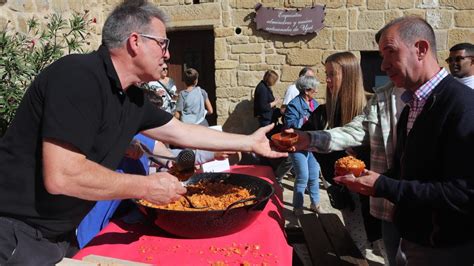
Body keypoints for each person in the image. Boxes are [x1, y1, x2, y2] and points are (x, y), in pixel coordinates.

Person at [0, 1, 284, 264]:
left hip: (56, 236)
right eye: (163, 44)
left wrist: (249, 141)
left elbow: (181, 132)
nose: (168, 54)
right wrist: (147, 186)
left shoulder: (131, 98)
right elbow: (63, 176)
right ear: (135, 42)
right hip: (15, 233)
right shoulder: (78, 76)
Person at [299, 16, 474, 265]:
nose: (382, 66)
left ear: (421, 49)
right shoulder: (413, 103)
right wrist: (370, 180)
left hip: (444, 247)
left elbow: (462, 194)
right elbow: (408, 169)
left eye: (390, 52)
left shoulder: (463, 106)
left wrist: (382, 185)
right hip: (411, 237)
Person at [299, 81, 405, 265]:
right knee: (357, 236)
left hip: (380, 190)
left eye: (333, 74)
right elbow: (350, 133)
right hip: (349, 188)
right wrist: (310, 139)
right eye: (327, 74)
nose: (328, 80)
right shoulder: (325, 111)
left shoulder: (372, 103)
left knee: (381, 240)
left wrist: (361, 155)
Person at [284, 75, 321, 215]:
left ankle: (315, 204)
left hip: (311, 144)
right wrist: (306, 121)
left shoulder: (315, 104)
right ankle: (298, 207)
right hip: (298, 145)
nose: (316, 91)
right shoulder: (294, 104)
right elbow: (290, 124)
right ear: (306, 90)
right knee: (303, 176)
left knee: (314, 175)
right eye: (314, 89)